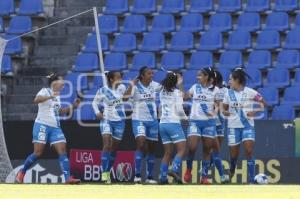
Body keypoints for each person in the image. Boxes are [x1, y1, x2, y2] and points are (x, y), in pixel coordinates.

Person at [16, 73, 81, 184]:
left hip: (55, 128)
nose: (63, 82)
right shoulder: (45, 90)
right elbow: (36, 100)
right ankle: (22, 172)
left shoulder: (58, 95)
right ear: (54, 83)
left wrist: (73, 106)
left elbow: (60, 111)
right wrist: (49, 97)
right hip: (42, 124)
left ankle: (68, 178)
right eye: (61, 80)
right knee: (38, 153)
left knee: (62, 150)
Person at [222, 68, 266, 184]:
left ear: (237, 80)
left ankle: (252, 180)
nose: (229, 82)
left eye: (231, 79)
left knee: (249, 151)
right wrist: (224, 112)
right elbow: (224, 108)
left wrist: (254, 112)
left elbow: (263, 103)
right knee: (234, 157)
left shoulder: (251, 92)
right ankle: (232, 170)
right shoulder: (228, 93)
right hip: (233, 127)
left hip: (247, 126)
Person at [183, 67, 226, 184]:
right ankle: (188, 170)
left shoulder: (216, 90)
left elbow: (218, 105)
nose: (198, 77)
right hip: (195, 121)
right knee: (192, 147)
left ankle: (204, 177)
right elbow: (185, 96)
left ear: (207, 77)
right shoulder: (194, 87)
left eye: (200, 75)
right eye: (197, 75)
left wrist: (214, 111)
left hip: (209, 123)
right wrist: (180, 84)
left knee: (207, 150)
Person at [123, 66, 160, 184]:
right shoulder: (135, 86)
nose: (152, 75)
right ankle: (137, 175)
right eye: (149, 73)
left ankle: (150, 177)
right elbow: (124, 99)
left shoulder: (154, 85)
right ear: (142, 76)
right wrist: (131, 85)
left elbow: (167, 88)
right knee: (141, 142)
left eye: (152, 73)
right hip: (139, 119)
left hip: (153, 121)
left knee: (152, 149)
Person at [92, 71, 126, 184]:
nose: (120, 79)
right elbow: (94, 103)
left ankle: (108, 170)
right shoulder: (103, 90)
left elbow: (127, 99)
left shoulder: (122, 88)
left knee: (114, 148)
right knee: (107, 144)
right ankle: (105, 174)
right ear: (111, 79)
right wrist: (97, 112)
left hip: (120, 120)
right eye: (118, 77)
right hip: (106, 119)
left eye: (120, 77)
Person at [159, 72, 187, 184]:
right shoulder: (177, 93)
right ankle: (174, 170)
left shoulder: (162, 92)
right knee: (181, 150)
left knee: (167, 153)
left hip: (162, 124)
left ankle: (163, 178)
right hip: (173, 123)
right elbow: (179, 109)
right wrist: (186, 118)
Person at [210, 69, 229, 183]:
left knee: (216, 149)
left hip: (221, 122)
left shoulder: (226, 90)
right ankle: (221, 175)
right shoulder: (207, 90)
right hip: (211, 121)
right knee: (213, 150)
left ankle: (205, 168)